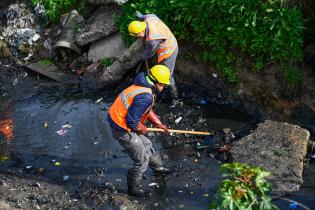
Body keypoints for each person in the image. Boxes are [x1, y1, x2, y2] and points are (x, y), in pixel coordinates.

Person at [107, 64, 173, 197]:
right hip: (121, 127)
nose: (164, 87)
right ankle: (133, 190)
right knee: (142, 160)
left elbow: (146, 109)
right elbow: (132, 122)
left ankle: (159, 169)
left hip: (123, 120)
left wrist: (158, 123)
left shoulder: (144, 84)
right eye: (163, 84)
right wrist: (142, 128)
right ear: (156, 82)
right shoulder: (145, 95)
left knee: (147, 144)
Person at [128, 13, 179, 107]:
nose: (138, 37)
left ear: (141, 31)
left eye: (138, 36)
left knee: (168, 76)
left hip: (169, 51)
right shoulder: (149, 19)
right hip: (166, 42)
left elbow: (149, 53)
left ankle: (175, 97)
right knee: (159, 69)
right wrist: (141, 16)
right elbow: (152, 15)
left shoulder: (152, 39)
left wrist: (143, 57)